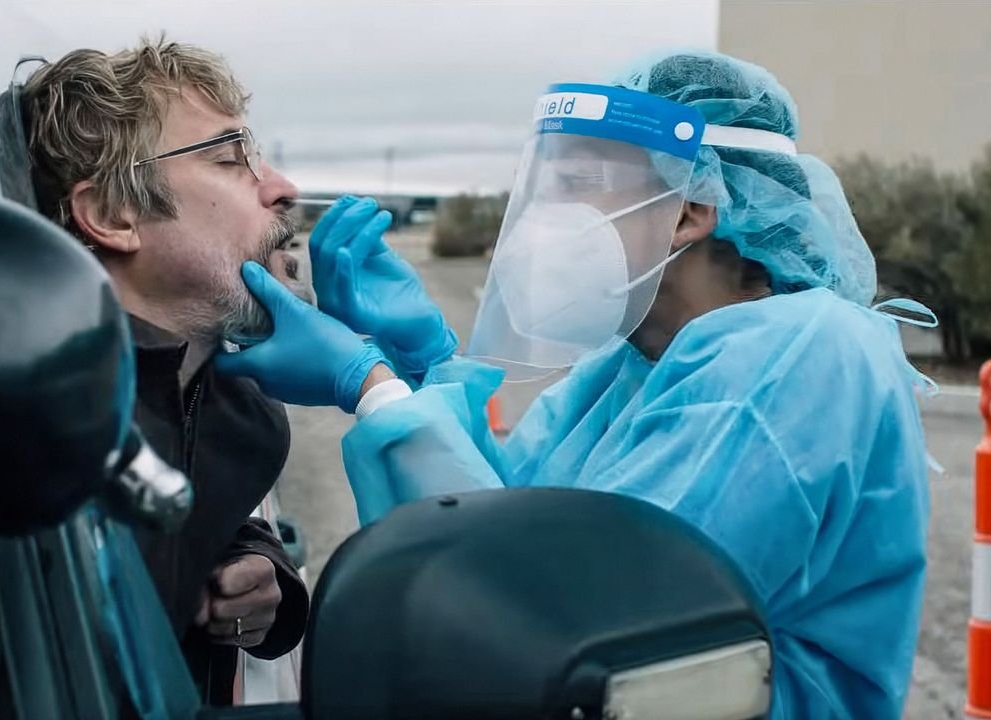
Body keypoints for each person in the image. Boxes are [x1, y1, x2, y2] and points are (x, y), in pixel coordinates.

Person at [217, 50, 932, 717]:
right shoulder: (635, 361)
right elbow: (509, 513)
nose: (544, 218)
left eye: (581, 186)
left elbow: (572, 618)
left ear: (690, 209)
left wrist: (369, 384)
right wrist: (421, 361)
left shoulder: (792, 360)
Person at [19, 38, 310, 704]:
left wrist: (261, 564)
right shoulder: (38, 430)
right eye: (230, 157)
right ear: (113, 215)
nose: (282, 188)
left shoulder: (237, 402)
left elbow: (192, 502)